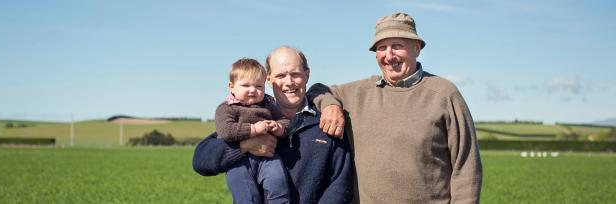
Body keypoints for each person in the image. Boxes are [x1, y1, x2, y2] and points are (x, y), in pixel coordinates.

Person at [309, 12, 483, 203]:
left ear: (416, 48)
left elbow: (466, 166)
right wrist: (330, 105)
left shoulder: (443, 94)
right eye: (382, 48)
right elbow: (316, 90)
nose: (389, 55)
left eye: (397, 46)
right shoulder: (357, 94)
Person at [193, 46, 353, 204]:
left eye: (295, 74)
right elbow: (201, 161)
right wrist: (244, 146)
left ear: (307, 74)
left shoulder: (328, 121)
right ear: (268, 79)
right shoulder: (252, 114)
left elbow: (339, 186)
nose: (289, 82)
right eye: (281, 75)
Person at [215, 58, 291, 204]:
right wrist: (254, 129)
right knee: (246, 196)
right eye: (245, 85)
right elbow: (226, 131)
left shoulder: (269, 105)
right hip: (239, 162)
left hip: (269, 157)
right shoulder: (226, 108)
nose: (253, 90)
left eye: (259, 86)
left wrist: (279, 127)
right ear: (231, 86)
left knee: (278, 185)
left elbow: (285, 121)